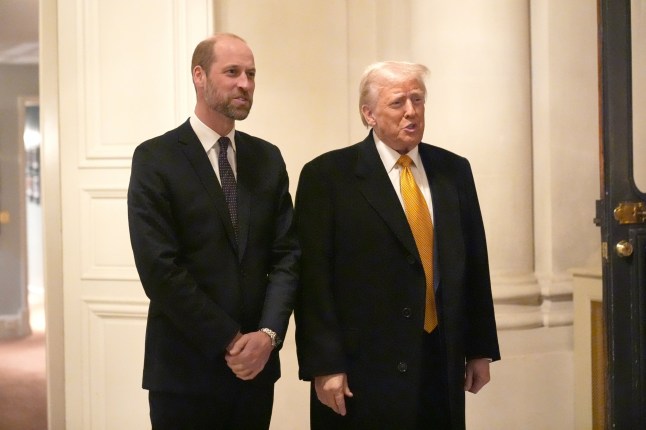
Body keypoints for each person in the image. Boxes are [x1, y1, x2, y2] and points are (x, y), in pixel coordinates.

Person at [294, 61, 500, 429]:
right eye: (397, 102)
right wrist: (324, 365)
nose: (411, 111)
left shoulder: (454, 170)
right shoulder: (328, 176)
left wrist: (480, 349)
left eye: (417, 100)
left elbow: (474, 262)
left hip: (440, 357)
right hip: (363, 369)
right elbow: (313, 281)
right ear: (368, 114)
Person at [127, 33, 299, 430]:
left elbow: (287, 255)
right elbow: (159, 269)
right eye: (233, 72)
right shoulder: (156, 158)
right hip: (184, 371)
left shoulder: (267, 158)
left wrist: (268, 336)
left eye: (251, 74)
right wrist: (231, 339)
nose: (245, 83)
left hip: (255, 373)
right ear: (199, 76)